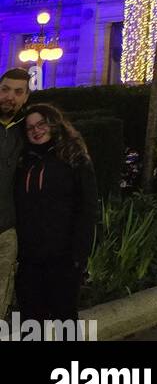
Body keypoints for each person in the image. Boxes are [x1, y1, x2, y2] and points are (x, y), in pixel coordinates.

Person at [14, 103, 98, 322]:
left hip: (63, 259)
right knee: (31, 323)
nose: (36, 130)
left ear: (53, 123)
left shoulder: (74, 159)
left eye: (41, 124)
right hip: (30, 260)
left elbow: (87, 209)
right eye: (30, 127)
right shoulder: (24, 162)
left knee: (65, 322)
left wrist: (79, 256)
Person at [0, 68, 31, 318]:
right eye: (5, 89)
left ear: (26, 97)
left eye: (17, 92)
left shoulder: (29, 131)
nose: (10, 96)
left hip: (7, 230)